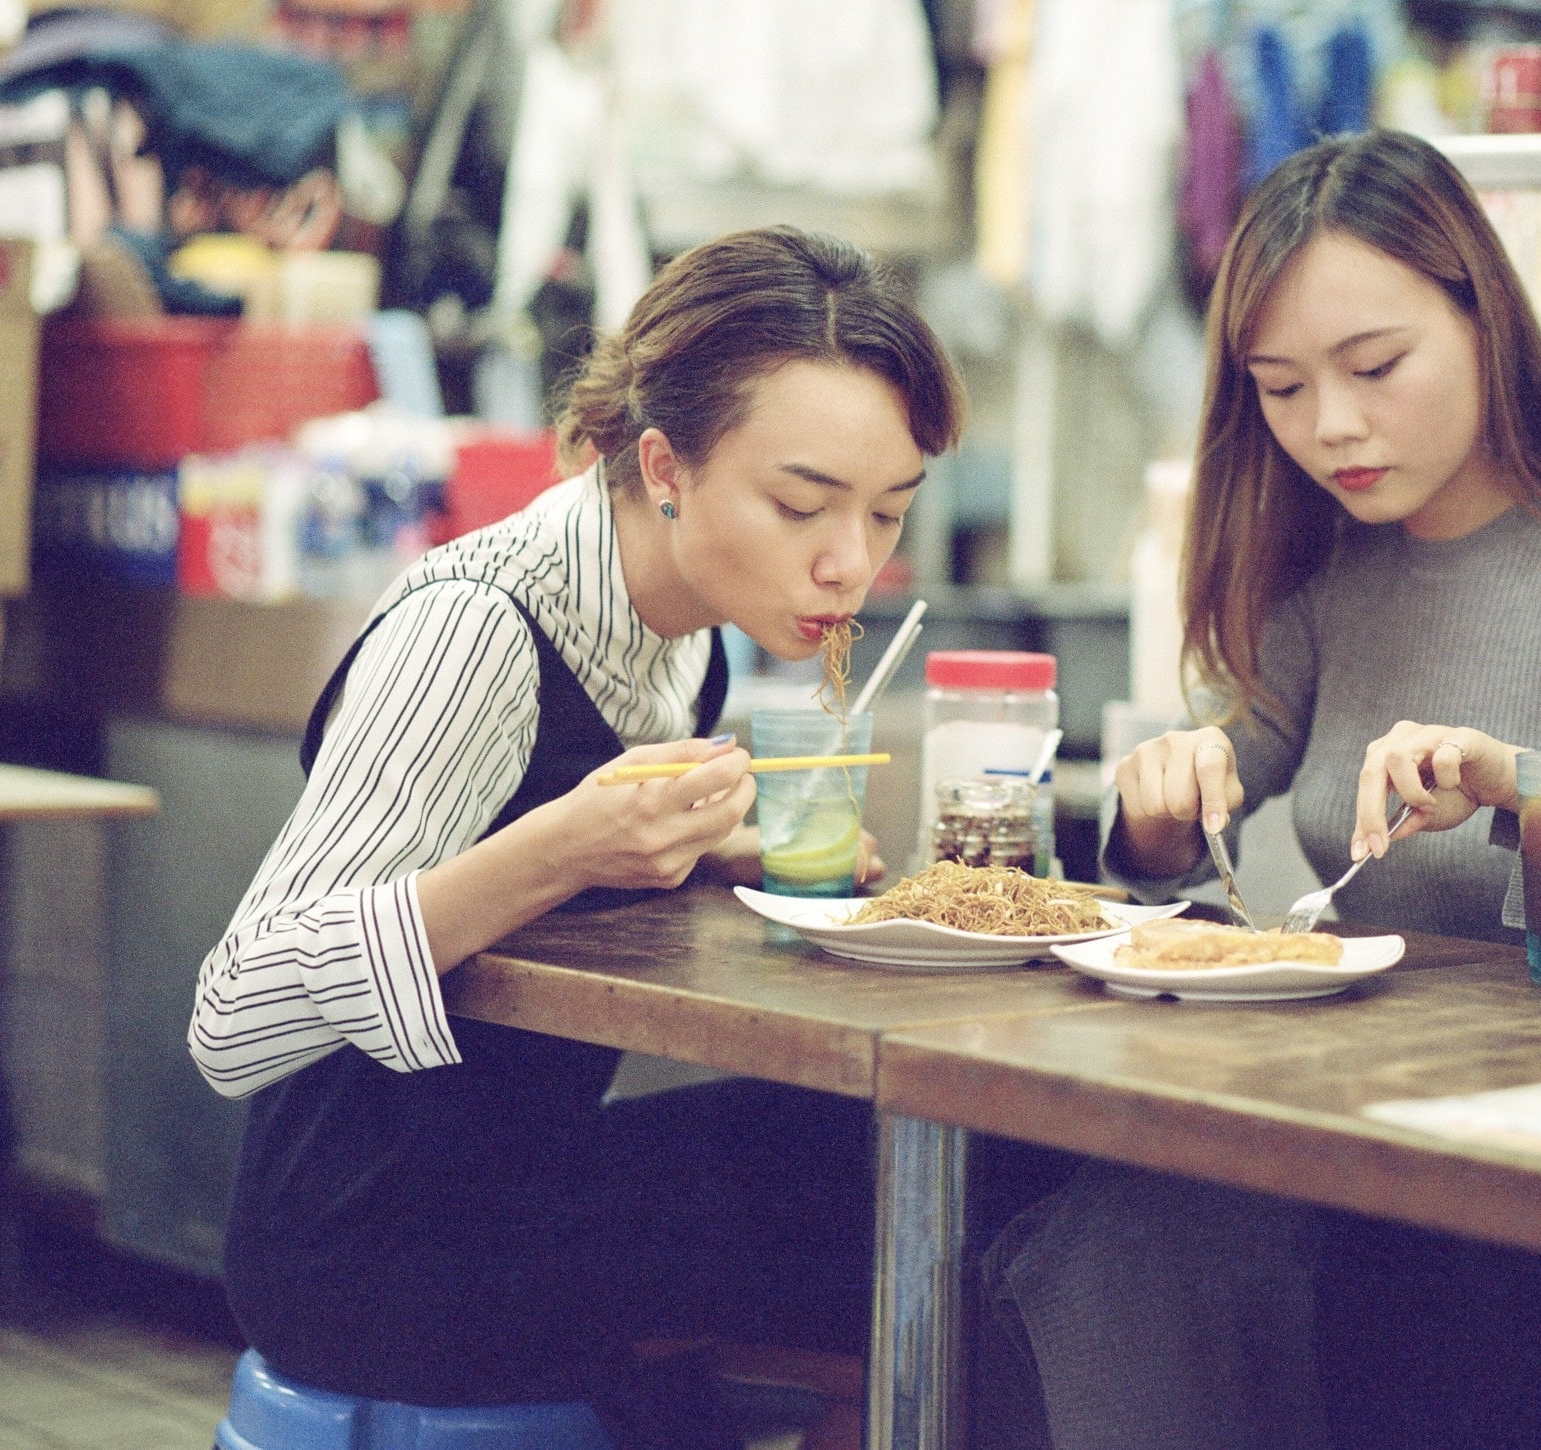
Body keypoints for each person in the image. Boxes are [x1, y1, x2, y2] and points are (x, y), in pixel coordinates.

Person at [977, 130, 1541, 1450]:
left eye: (1375, 366)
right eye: (1279, 387)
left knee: (1148, 1253)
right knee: (1077, 1225)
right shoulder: (1337, 566)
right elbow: (1193, 809)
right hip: (1360, 1153)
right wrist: (1165, 795)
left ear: (1482, 317)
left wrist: (1527, 783)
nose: (1329, 425)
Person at [187, 227, 962, 1450]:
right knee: (899, 1219)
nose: (849, 563)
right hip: (369, 1240)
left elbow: (529, 834)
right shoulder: (478, 633)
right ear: (663, 464)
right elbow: (233, 1014)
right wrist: (564, 847)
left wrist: (704, 850)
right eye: (802, 503)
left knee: (930, 1168)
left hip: (516, 1183)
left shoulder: (693, 629)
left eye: (886, 513)